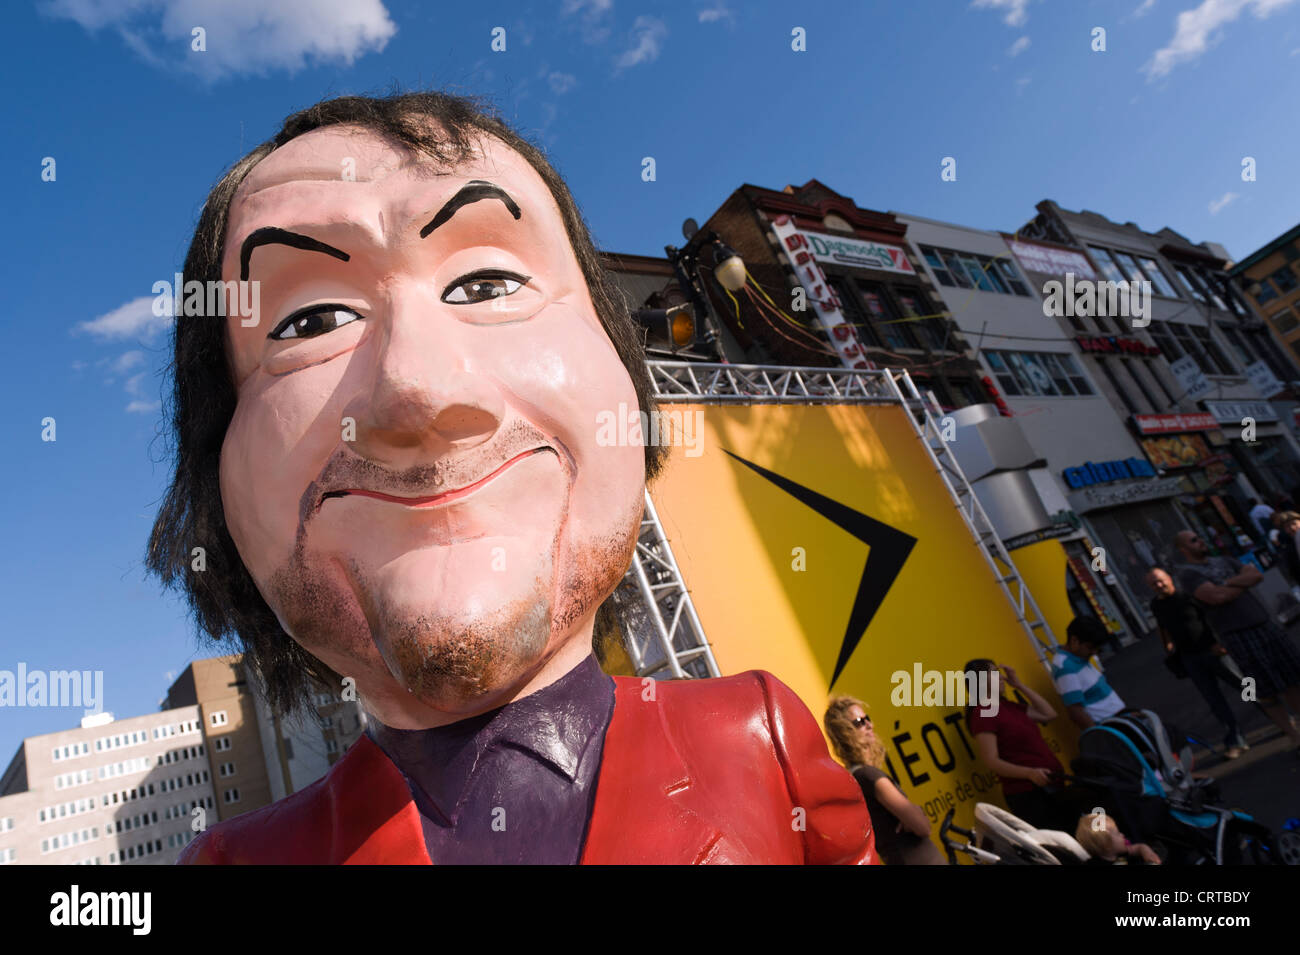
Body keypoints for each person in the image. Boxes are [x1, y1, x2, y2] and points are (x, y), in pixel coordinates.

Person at [149, 91, 877, 865]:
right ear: (219, 466)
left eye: (487, 284)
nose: (419, 388)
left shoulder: (762, 737)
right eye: (313, 321)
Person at [1174, 529, 1300, 754]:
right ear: (1184, 550)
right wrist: (1240, 584)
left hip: (1264, 624)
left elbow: (1256, 575)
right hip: (1236, 636)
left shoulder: (1224, 560)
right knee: (1262, 690)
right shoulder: (1187, 574)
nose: (1201, 540)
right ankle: (1294, 736)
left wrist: (1227, 583)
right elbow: (1216, 597)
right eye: (1194, 540)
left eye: (1199, 536)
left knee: (1292, 678)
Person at [824, 698, 947, 865]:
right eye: (860, 722)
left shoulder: (855, 779)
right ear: (845, 733)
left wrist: (912, 813)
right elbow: (923, 826)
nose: (869, 725)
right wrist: (915, 814)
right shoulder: (868, 776)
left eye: (868, 719)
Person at [1146, 568, 1248, 759]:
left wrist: (1219, 641)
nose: (1159, 585)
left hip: (1213, 651)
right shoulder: (1156, 606)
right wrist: (1167, 644)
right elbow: (1162, 626)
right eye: (1154, 584)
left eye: (1161, 581)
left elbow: (1212, 616)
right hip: (1190, 658)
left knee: (1245, 685)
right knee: (1214, 700)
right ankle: (1236, 739)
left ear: (1169, 578)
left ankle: (1276, 715)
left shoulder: (1188, 596)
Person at [963, 659, 1074, 832]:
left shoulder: (1008, 706)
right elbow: (992, 761)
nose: (1001, 678)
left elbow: (1049, 714)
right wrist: (1029, 773)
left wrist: (1019, 685)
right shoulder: (983, 711)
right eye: (993, 674)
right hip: (1030, 795)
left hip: (1052, 785)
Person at [1049, 617, 1127, 731]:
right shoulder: (1065, 667)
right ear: (1074, 641)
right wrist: (1097, 736)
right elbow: (1075, 711)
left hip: (1119, 720)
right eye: (1090, 647)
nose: (1094, 652)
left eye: (1097, 649)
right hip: (1110, 729)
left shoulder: (1077, 658)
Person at [1073, 814, 1162, 865]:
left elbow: (1137, 848)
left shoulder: (1117, 852)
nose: (1122, 835)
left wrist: (1145, 850)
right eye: (1117, 833)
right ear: (1107, 845)